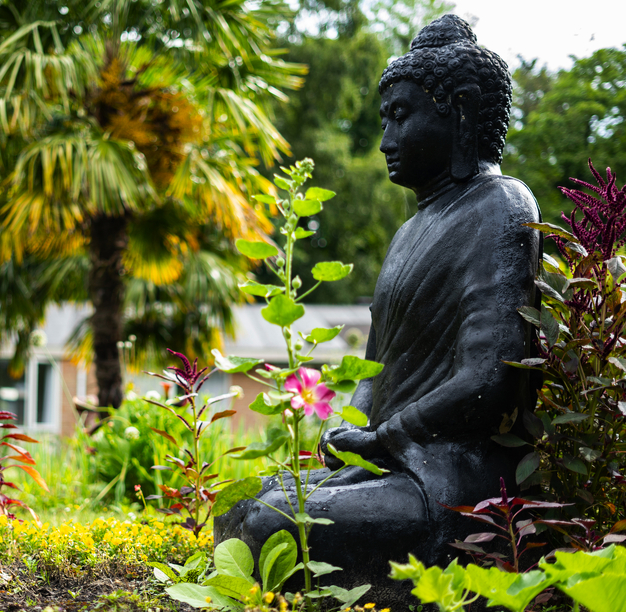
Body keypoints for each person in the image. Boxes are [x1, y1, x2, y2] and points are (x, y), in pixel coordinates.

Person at [214, 14, 542, 600]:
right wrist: (356, 425)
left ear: (461, 112)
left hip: (453, 478)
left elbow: (490, 376)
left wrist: (388, 434)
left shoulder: (502, 206)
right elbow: (378, 367)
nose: (386, 141)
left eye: (400, 117)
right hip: (391, 458)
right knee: (244, 503)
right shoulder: (410, 230)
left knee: (273, 526)